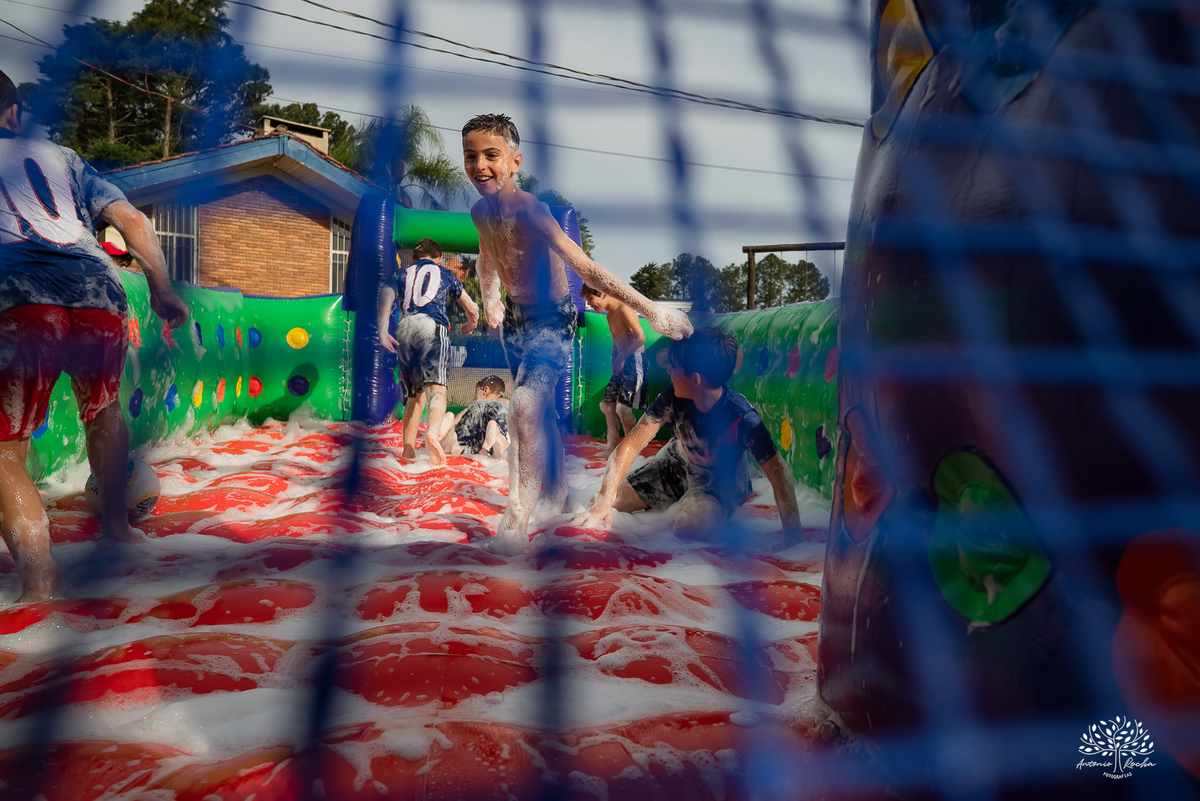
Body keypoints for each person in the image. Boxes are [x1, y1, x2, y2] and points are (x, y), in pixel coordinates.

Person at [462, 112, 693, 551]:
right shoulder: (479, 213)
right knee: (539, 413)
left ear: (515, 161)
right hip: (514, 318)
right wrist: (489, 298)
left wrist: (650, 310)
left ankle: (517, 519)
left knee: (524, 407)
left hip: (552, 318)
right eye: (471, 157)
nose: (480, 166)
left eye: (492, 155)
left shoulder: (532, 210)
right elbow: (486, 258)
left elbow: (585, 266)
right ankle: (554, 494)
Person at [0, 70, 189, 603]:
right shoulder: (63, 158)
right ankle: (118, 530)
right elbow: (132, 220)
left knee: (4, 451)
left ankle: (38, 586)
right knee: (103, 411)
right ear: (14, 113)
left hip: (22, 298)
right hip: (99, 294)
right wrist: (162, 288)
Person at [579, 327, 803, 545]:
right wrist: (604, 501)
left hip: (719, 482)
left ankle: (689, 502)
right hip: (676, 465)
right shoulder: (673, 396)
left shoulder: (741, 416)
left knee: (689, 528)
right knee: (600, 503)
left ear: (695, 380)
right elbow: (632, 443)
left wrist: (793, 537)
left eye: (674, 368)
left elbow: (779, 472)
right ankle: (670, 497)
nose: (669, 372)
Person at [378, 237, 479, 466]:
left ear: (413, 259)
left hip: (405, 329)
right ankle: (432, 433)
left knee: (414, 398)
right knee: (437, 391)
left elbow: (386, 297)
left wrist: (383, 331)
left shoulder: (401, 273)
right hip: (431, 327)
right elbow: (471, 307)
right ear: (439, 258)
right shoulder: (444, 273)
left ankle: (408, 453)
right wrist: (472, 322)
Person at [581, 284, 648, 456]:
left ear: (602, 293)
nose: (590, 304)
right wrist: (614, 360)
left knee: (623, 408)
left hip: (634, 361)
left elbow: (640, 338)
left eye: (590, 298)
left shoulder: (624, 309)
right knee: (606, 405)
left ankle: (631, 451)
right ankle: (612, 447)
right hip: (622, 361)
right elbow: (617, 340)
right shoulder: (610, 316)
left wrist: (621, 358)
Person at [433, 374, 510, 459]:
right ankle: (496, 432)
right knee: (503, 452)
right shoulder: (507, 403)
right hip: (499, 419)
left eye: (476, 393)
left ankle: (448, 421)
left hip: (476, 414)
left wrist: (453, 424)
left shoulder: (476, 404)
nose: (474, 397)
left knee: (454, 447)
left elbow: (456, 422)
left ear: (485, 391)